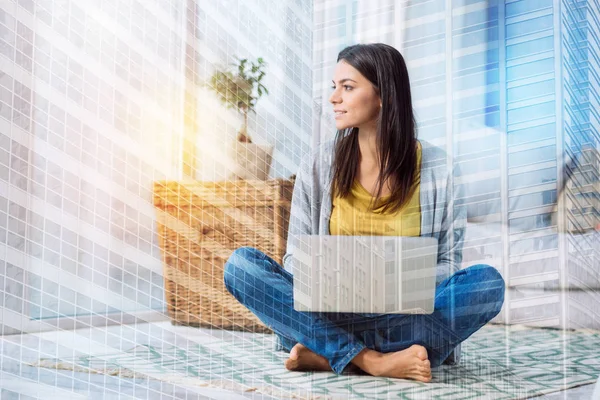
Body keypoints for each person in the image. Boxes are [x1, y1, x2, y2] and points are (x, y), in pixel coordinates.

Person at [224, 43, 505, 382]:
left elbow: (448, 264)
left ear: (384, 94)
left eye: (348, 87)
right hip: (330, 311)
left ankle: (329, 353)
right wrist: (341, 277)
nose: (333, 98)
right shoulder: (319, 162)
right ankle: (374, 359)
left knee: (486, 284)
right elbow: (295, 258)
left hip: (402, 313)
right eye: (334, 87)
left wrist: (389, 277)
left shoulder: (440, 169)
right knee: (241, 267)